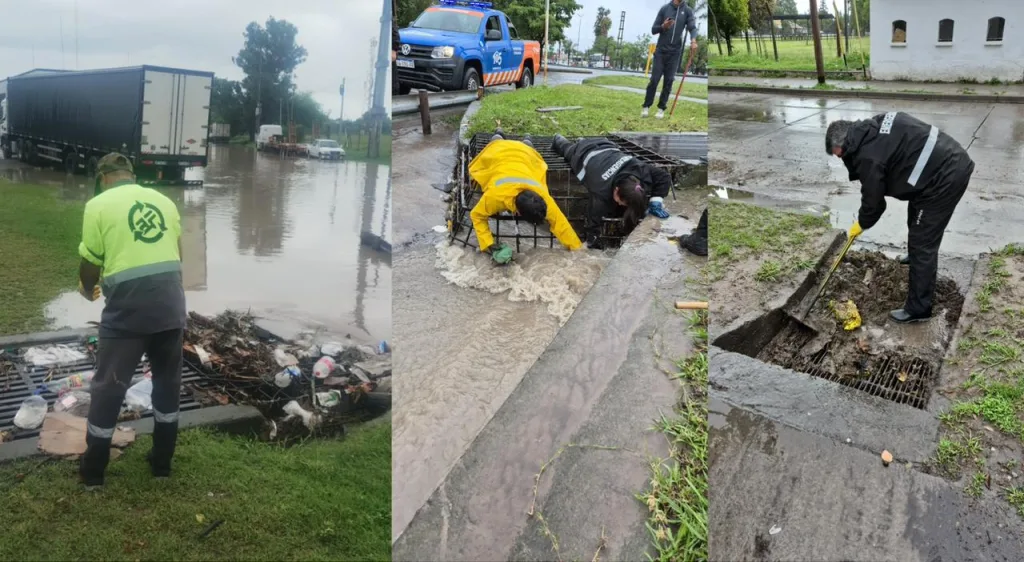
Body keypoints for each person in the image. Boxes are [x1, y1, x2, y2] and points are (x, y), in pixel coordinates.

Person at [77, 153, 186, 490]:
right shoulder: (165, 201)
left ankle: (94, 472)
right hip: (171, 307)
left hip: (127, 313)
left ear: (103, 177)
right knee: (167, 385)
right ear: (131, 176)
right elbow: (176, 255)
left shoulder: (97, 205)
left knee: (108, 389)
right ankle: (162, 464)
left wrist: (86, 289)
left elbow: (90, 266)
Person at [826, 112, 974, 324]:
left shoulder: (868, 157)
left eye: (838, 154)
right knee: (915, 217)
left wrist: (861, 224)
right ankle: (914, 257)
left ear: (843, 143)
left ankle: (918, 309)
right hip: (943, 163)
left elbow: (874, 202)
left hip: (945, 177)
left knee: (923, 241)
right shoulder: (875, 123)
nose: (840, 159)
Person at [469, 130, 582, 264]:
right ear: (518, 212)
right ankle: (504, 135)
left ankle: (521, 138)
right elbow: (477, 215)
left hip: (524, 154)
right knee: (496, 141)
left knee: (524, 146)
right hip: (500, 151)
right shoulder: (496, 197)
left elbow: (561, 225)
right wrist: (489, 245)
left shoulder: (543, 198)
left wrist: (579, 252)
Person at [551, 134, 673, 249]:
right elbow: (593, 218)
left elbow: (664, 177)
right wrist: (591, 241)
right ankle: (560, 138)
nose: (620, 204)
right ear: (616, 190)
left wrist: (656, 201)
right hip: (583, 152)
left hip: (606, 145)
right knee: (565, 148)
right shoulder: (600, 189)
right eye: (620, 201)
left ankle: (582, 140)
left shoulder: (639, 168)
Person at [643, 0, 698, 120]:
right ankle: (646, 106)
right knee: (654, 79)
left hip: (675, 52)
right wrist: (663, 26)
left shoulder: (687, 11)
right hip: (661, 51)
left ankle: (661, 108)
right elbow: (653, 29)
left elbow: (692, 28)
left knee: (669, 81)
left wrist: (693, 41)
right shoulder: (665, 9)